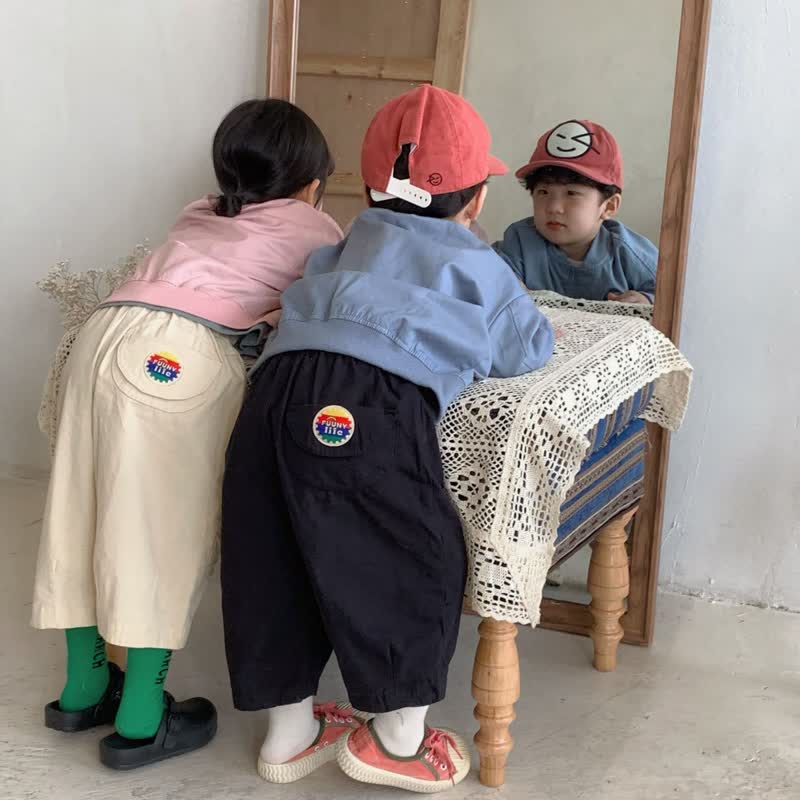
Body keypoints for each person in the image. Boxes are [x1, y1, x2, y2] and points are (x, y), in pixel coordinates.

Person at [220, 84, 555, 792]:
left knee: (273, 554)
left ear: (371, 189)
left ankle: (289, 734)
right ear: (476, 200)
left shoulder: (345, 242)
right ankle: (398, 739)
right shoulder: (478, 263)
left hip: (275, 389)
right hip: (372, 402)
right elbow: (527, 348)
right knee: (411, 554)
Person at [31, 98, 342, 769]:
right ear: (312, 184)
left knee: (79, 511)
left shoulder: (199, 212)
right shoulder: (318, 232)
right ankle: (142, 718)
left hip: (102, 335)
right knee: (159, 530)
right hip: (176, 358)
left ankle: (83, 689)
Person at [495, 119, 657, 304]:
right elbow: (489, 276)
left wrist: (647, 299)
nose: (553, 207)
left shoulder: (629, 253)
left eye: (571, 193)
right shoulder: (520, 241)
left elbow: (673, 293)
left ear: (609, 206)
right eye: (543, 192)